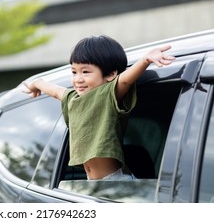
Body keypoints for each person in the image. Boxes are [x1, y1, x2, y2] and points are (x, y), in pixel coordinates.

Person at [23, 35, 175, 181]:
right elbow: (56, 92)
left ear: (110, 74)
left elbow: (124, 81)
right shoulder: (74, 99)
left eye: (85, 72)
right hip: (94, 183)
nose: (78, 79)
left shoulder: (107, 94)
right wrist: (37, 83)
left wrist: (145, 60)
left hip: (115, 181)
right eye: (74, 72)